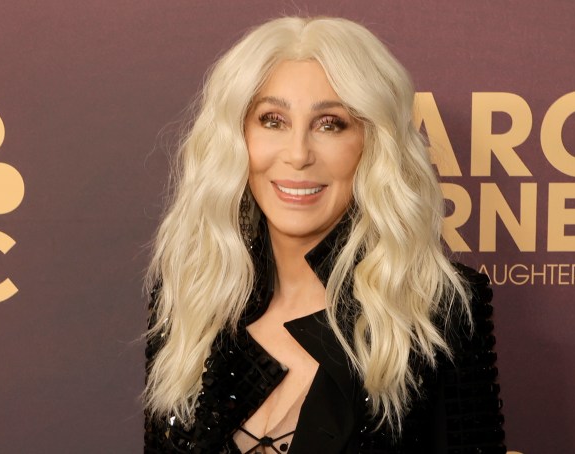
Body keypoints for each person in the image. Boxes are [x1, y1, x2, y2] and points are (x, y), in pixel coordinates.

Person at [143, 16, 506, 453]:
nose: (297, 154)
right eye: (272, 120)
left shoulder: (437, 309)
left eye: (330, 123)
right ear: (237, 139)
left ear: (373, 144)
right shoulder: (189, 297)